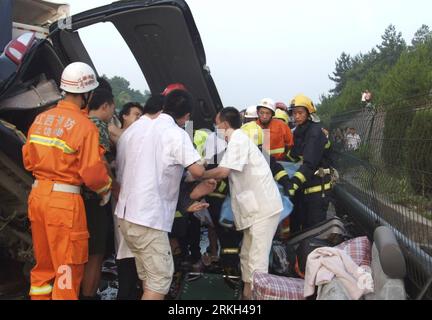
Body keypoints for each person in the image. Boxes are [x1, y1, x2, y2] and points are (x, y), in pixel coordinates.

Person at [22, 62, 112, 300]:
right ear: (88, 94)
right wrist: (105, 190)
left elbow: (29, 161)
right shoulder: (85, 127)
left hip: (38, 197)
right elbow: (92, 173)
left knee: (43, 267)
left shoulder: (41, 119)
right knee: (67, 269)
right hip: (64, 203)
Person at [115, 89, 206, 300]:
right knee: (159, 280)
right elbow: (198, 171)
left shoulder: (136, 129)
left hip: (126, 216)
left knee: (148, 277)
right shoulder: (175, 133)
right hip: (148, 219)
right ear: (186, 116)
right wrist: (207, 170)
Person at [201, 107, 283, 300]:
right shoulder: (235, 142)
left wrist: (199, 175)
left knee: (257, 260)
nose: (215, 127)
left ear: (224, 124)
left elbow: (223, 172)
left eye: (216, 123)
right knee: (247, 256)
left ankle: (256, 298)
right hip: (254, 210)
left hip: (263, 210)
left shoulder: (238, 140)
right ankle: (247, 296)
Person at [80, 88, 116, 300]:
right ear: (105, 106)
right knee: (95, 252)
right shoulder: (98, 126)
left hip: (73, 197)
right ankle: (89, 295)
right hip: (95, 199)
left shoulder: (77, 122)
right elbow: (99, 162)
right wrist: (111, 186)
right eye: (112, 108)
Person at [285, 95, 332, 233]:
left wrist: (293, 183)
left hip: (317, 189)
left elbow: (309, 163)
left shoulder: (315, 132)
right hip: (304, 186)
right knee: (299, 228)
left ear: (309, 113)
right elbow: (293, 157)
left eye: (300, 112)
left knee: (313, 231)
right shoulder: (299, 131)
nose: (297, 116)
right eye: (294, 113)